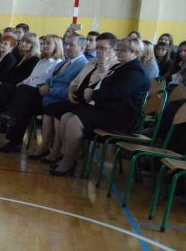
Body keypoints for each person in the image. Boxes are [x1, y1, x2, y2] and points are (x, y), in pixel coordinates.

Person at [49, 36, 149, 176]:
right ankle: (67, 157)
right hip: (108, 109)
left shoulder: (135, 71)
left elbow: (116, 93)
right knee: (66, 116)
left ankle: (68, 163)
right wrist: (93, 93)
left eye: (124, 50)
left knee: (74, 121)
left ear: (136, 53)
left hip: (121, 116)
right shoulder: (121, 67)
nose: (119, 52)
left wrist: (93, 94)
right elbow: (105, 86)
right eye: (118, 49)